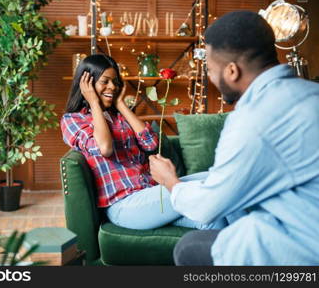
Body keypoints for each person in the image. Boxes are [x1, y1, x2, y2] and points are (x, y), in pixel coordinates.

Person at [149, 10, 319, 265]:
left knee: (190, 248)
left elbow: (208, 207)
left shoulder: (253, 119)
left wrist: (171, 182)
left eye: (209, 67)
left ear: (231, 71)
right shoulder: (311, 92)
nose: (209, 76)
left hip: (304, 249)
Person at [61, 54, 227, 230]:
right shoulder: (72, 120)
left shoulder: (118, 116)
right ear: (87, 84)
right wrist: (94, 102)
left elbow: (151, 144)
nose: (112, 87)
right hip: (124, 205)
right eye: (105, 81)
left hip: (149, 195)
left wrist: (121, 106)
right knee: (212, 184)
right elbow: (105, 148)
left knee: (214, 214)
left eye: (115, 82)